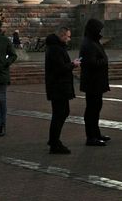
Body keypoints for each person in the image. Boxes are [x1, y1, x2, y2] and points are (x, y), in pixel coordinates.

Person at [45, 26, 81, 154]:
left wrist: (70, 64)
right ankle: (54, 142)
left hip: (58, 86)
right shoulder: (55, 49)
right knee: (60, 114)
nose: (69, 39)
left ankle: (53, 140)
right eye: (68, 36)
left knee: (61, 113)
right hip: (58, 87)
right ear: (62, 36)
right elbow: (59, 68)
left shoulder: (56, 48)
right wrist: (73, 64)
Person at [80, 18, 110, 146]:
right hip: (93, 83)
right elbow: (91, 63)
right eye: (99, 29)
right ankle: (91, 137)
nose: (101, 32)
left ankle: (96, 133)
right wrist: (105, 61)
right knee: (92, 110)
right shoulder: (89, 44)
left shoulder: (93, 41)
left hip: (96, 82)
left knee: (95, 109)